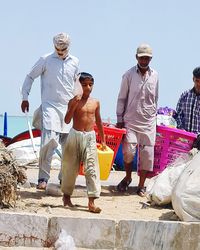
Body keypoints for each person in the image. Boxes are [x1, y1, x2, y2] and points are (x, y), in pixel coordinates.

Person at [21, 32, 79, 189]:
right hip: (50, 107)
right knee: (48, 142)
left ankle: (64, 178)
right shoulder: (45, 59)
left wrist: (78, 106)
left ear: (68, 47)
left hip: (68, 109)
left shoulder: (75, 62)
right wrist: (25, 97)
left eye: (63, 49)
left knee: (69, 146)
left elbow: (77, 87)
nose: (60, 52)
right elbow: (30, 76)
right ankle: (43, 178)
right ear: (54, 46)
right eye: (58, 48)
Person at [116, 43, 159, 197]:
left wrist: (154, 117)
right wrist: (119, 118)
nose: (144, 61)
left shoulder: (155, 75)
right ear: (136, 58)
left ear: (150, 59)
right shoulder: (128, 75)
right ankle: (128, 177)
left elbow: (155, 98)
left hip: (148, 122)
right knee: (128, 152)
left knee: (147, 155)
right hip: (131, 120)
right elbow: (121, 98)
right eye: (141, 58)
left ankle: (141, 186)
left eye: (147, 58)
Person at [61, 72, 106, 213]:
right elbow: (67, 120)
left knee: (91, 168)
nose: (88, 87)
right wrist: (73, 104)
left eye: (90, 85)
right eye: (84, 84)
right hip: (75, 135)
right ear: (78, 86)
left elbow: (98, 121)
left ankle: (91, 201)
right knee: (70, 168)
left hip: (90, 137)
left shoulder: (95, 102)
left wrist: (103, 139)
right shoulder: (73, 100)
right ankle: (66, 197)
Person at [173, 67, 200, 134]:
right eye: (197, 81)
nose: (199, 84)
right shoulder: (185, 95)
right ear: (193, 79)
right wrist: (182, 130)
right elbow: (178, 115)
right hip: (184, 138)